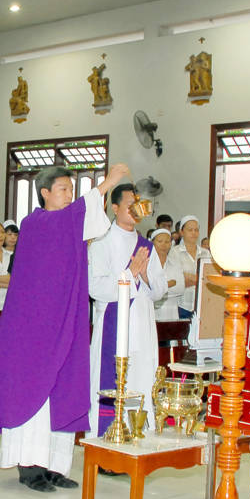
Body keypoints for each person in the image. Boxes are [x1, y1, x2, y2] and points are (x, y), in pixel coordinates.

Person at [0, 162, 130, 492]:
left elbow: (90, 222)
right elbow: (80, 213)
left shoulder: (68, 223)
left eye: (71, 190)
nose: (69, 195)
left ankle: (54, 465)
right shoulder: (36, 222)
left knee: (63, 388)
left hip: (65, 318)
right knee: (34, 389)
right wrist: (108, 182)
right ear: (45, 193)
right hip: (35, 325)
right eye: (63, 189)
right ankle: (29, 467)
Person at [88, 185, 167, 433]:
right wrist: (130, 274)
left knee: (142, 379)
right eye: (130, 205)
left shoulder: (146, 246)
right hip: (114, 325)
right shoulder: (102, 243)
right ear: (115, 208)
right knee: (111, 381)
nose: (136, 210)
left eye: (138, 205)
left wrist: (145, 275)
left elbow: (160, 290)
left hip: (143, 327)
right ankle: (108, 434)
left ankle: (140, 433)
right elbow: (96, 288)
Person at [172, 215, 211, 320]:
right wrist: (200, 279)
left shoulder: (205, 253)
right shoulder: (174, 252)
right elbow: (177, 279)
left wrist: (190, 278)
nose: (194, 233)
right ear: (181, 232)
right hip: (182, 306)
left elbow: (209, 278)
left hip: (202, 305)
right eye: (190, 230)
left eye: (196, 230)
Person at [149, 228, 182, 321]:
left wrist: (158, 288)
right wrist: (169, 284)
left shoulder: (176, 263)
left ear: (171, 244)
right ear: (152, 243)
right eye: (160, 241)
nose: (163, 245)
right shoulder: (147, 264)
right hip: (151, 313)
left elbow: (180, 288)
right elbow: (147, 291)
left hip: (171, 313)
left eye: (167, 242)